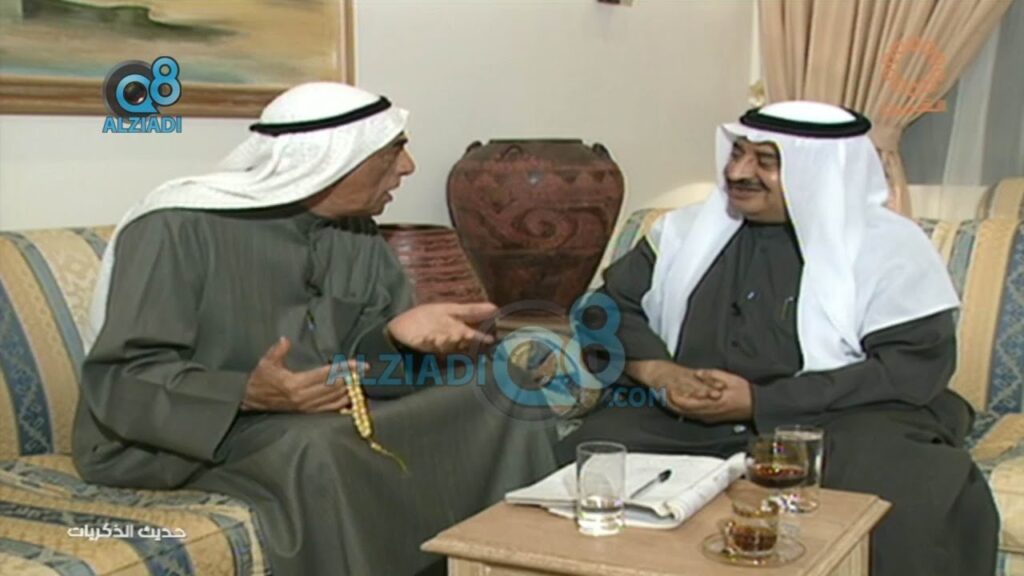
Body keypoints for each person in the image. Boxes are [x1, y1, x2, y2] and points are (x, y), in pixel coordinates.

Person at [72, 82, 556, 576]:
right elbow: (122, 379)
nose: (408, 167)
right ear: (329, 160)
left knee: (502, 384)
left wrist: (396, 337)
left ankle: (527, 563)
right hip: (185, 433)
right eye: (391, 152)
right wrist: (247, 393)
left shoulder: (356, 229)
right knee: (321, 448)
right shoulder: (176, 228)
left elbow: (354, 362)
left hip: (325, 406)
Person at [557, 101, 999, 576]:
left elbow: (908, 368)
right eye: (737, 154)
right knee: (591, 457)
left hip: (839, 417)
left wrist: (760, 402)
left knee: (908, 490)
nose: (738, 172)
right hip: (689, 419)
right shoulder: (684, 231)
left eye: (766, 161)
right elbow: (605, 311)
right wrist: (660, 372)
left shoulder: (888, 247)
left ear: (819, 172)